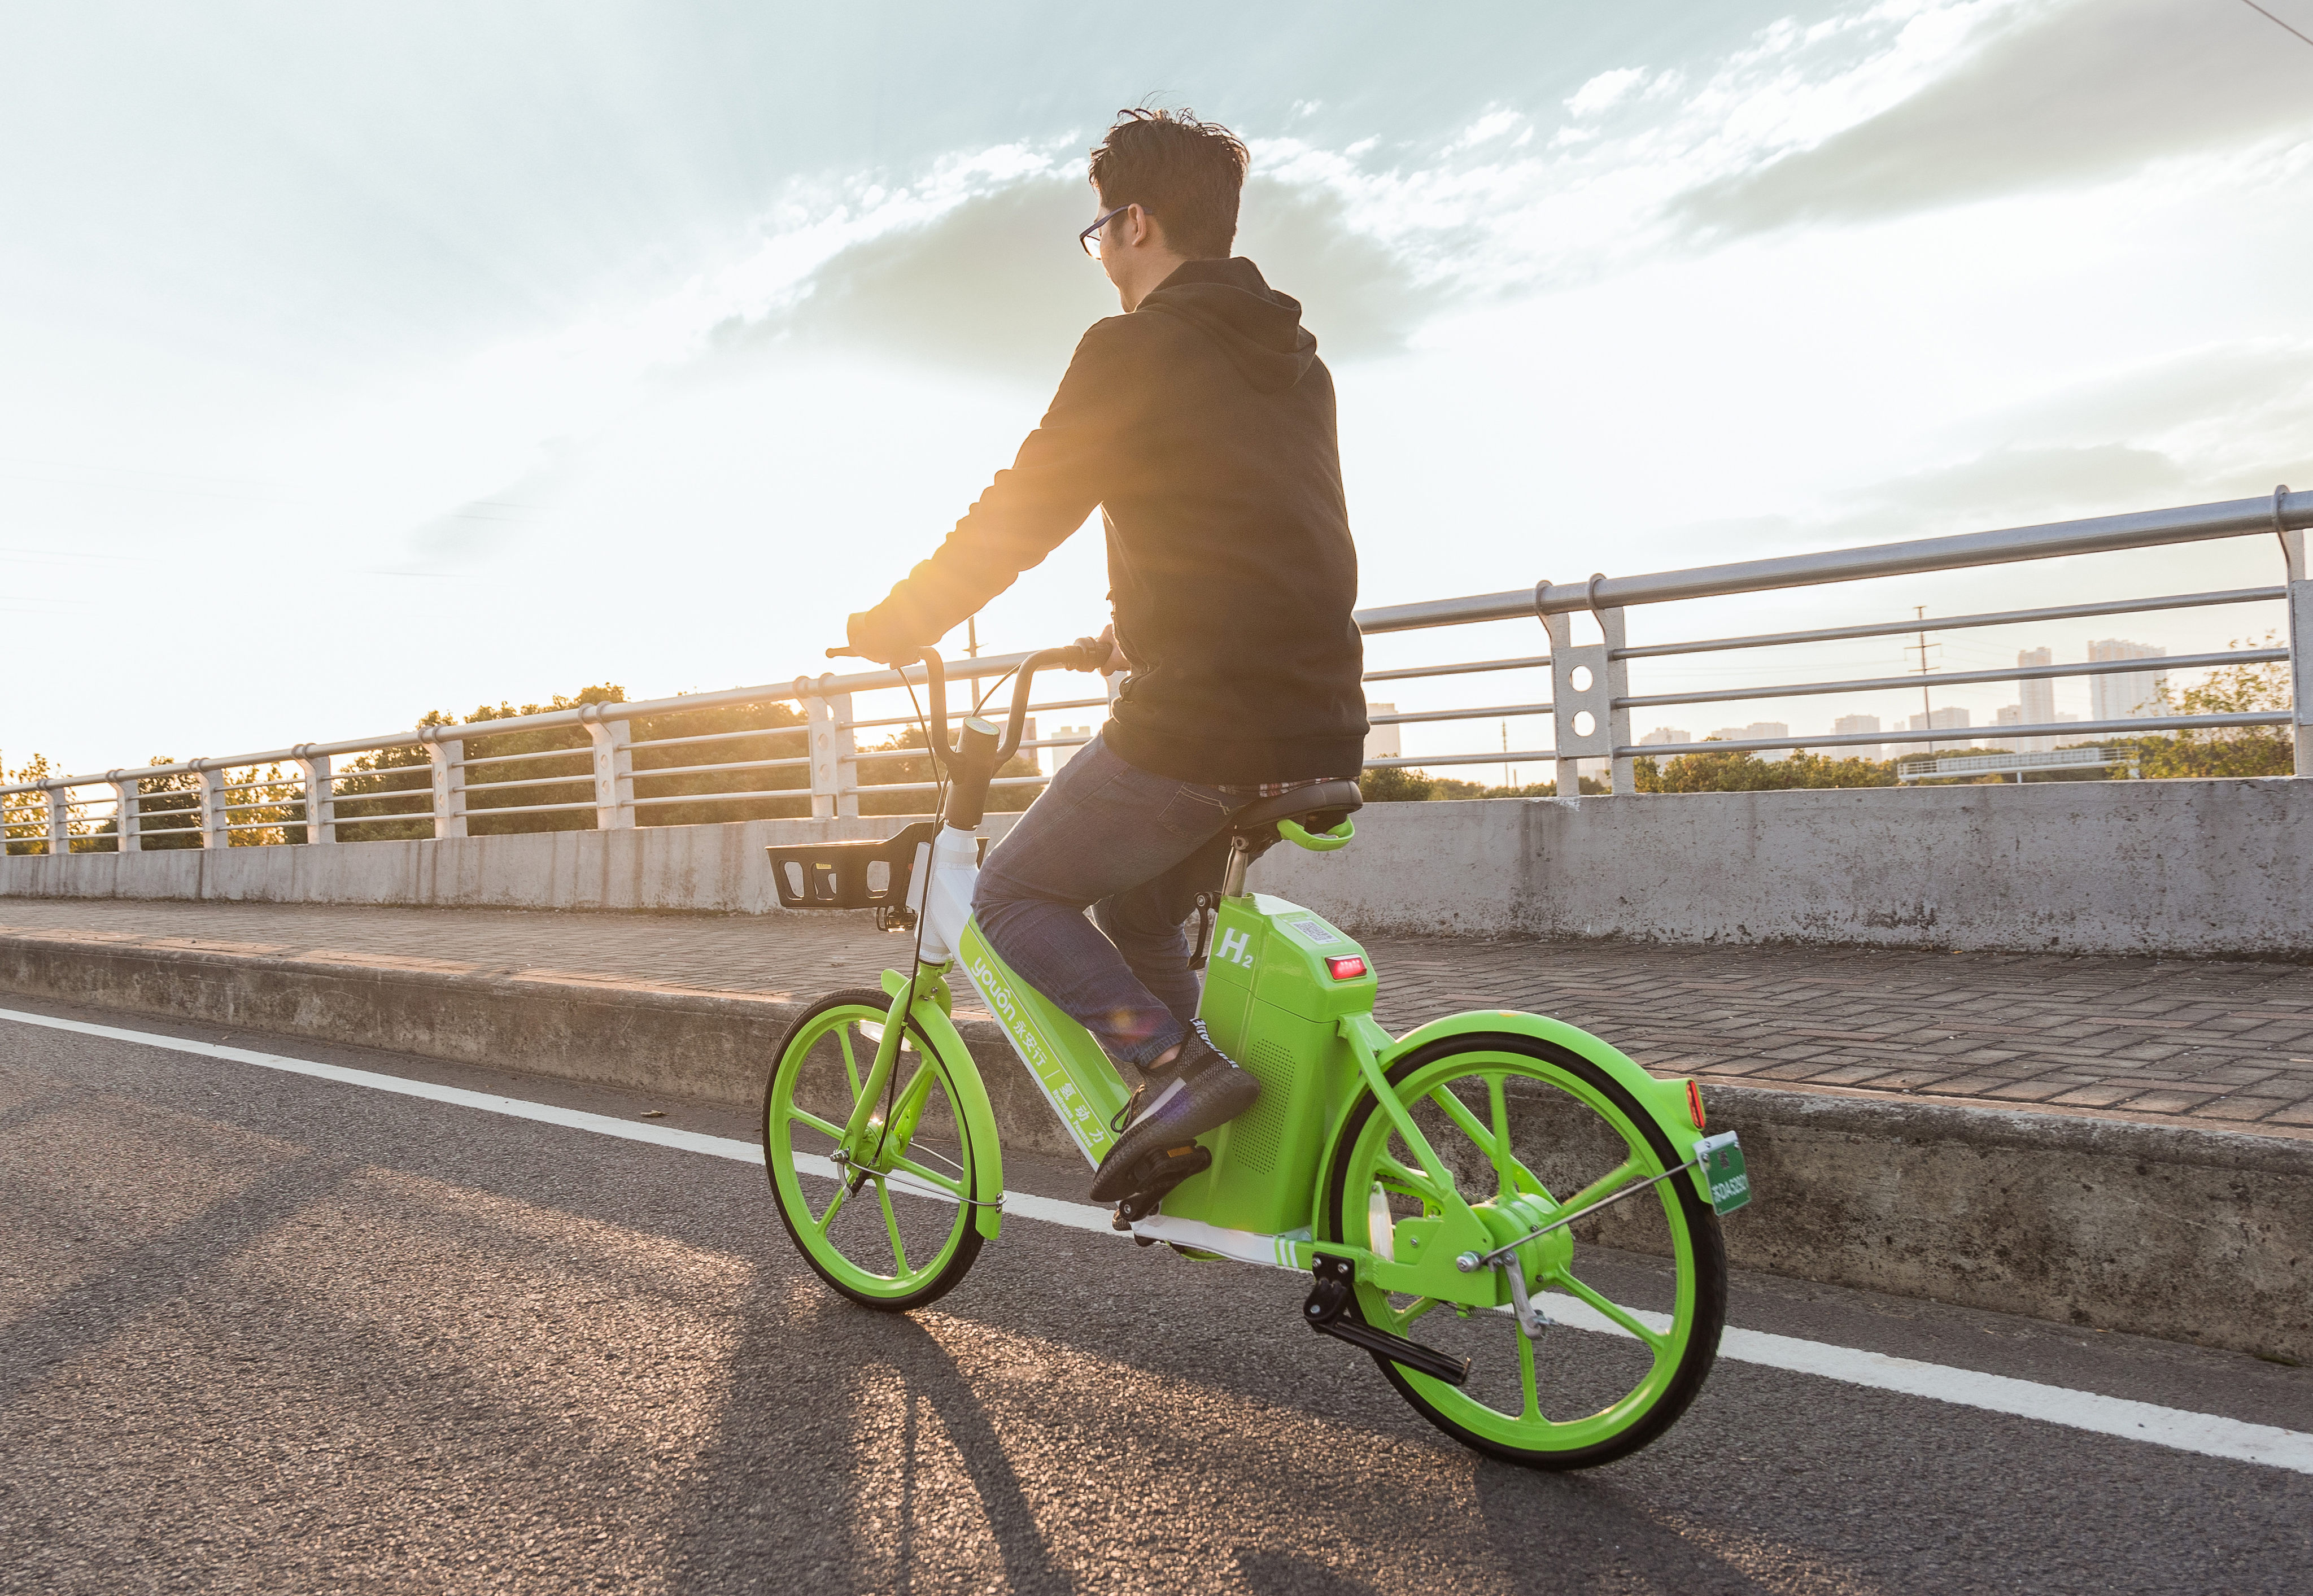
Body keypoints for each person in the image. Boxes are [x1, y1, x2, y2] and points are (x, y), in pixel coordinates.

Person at [843, 108, 1366, 1206]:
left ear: (1133, 223)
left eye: (1097, 234)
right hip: (1320, 713)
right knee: (1136, 911)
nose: (1101, 259)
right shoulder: (1295, 362)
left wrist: (899, 622)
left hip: (1206, 724)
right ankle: (1215, 1148)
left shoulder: (1131, 348)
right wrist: (1125, 636)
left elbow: (1022, 510)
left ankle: (1168, 1065)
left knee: (1012, 896)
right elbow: (1256, 528)